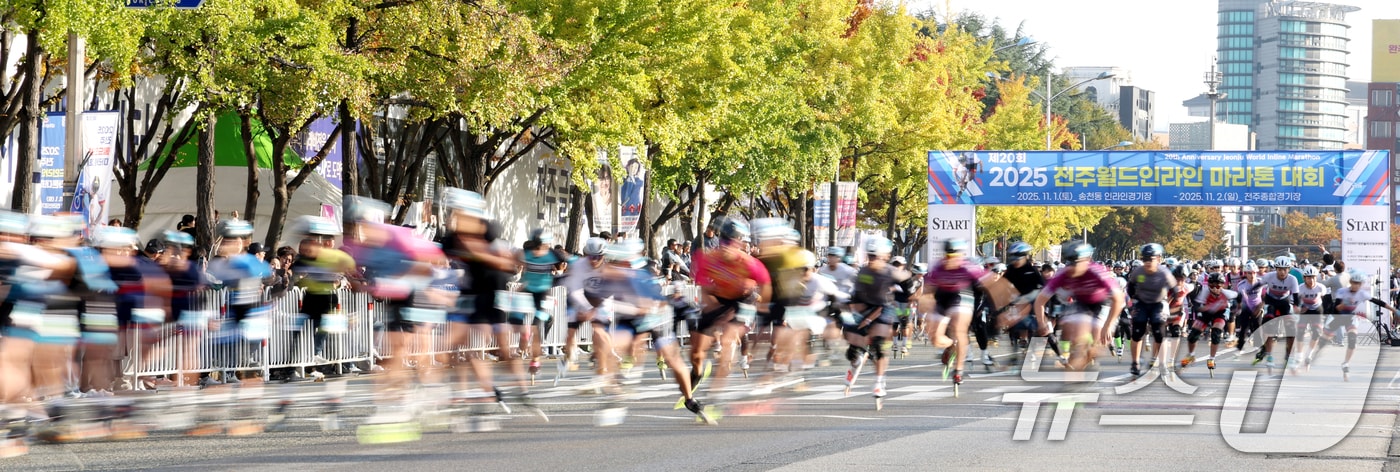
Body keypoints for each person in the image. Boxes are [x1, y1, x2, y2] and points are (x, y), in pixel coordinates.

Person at [690, 218, 770, 397]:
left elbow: (766, 287)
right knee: (696, 353)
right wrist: (715, 308)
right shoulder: (708, 259)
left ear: (740, 243)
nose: (727, 245)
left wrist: (762, 307)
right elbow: (703, 290)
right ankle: (697, 372)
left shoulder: (750, 263)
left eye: (732, 241)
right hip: (718, 300)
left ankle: (715, 396)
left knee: (728, 342)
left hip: (743, 301)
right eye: (724, 239)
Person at [1032, 241, 1125, 372]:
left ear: (1086, 260)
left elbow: (1118, 299)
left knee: (1097, 341)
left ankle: (1091, 353)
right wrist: (1042, 322)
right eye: (1069, 262)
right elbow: (1040, 301)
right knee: (1072, 329)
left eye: (1076, 262)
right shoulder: (1064, 273)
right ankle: (1075, 359)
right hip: (1081, 303)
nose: (1072, 267)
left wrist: (1108, 325)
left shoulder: (1097, 272)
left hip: (1103, 304)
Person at [920, 239, 983, 387]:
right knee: (935, 339)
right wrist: (925, 307)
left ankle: (958, 370)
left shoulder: (968, 268)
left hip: (961, 297)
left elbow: (991, 284)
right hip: (942, 299)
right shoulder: (938, 268)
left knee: (959, 329)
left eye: (954, 256)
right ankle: (950, 345)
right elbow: (928, 291)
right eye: (948, 256)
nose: (951, 259)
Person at [517, 228, 567, 378]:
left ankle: (528, 340)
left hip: (530, 291)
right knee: (535, 326)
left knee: (529, 324)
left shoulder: (527, 254)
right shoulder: (549, 254)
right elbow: (563, 266)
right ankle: (534, 359)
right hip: (540, 292)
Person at [1124, 243, 1177, 377]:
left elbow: (1175, 291)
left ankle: (1161, 362)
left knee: (1159, 331)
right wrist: (1133, 302)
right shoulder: (1138, 272)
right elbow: (1130, 287)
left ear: (1158, 259)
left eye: (1150, 259)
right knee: (1137, 330)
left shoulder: (1164, 273)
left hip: (1158, 303)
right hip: (1142, 303)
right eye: (1145, 259)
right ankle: (1135, 363)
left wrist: (1170, 306)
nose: (1147, 262)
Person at [1254, 256, 1301, 371]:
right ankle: (1269, 356)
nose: (1282, 272)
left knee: (1291, 329)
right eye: (1279, 269)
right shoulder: (1269, 276)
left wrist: (1296, 308)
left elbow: (1296, 297)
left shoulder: (1292, 279)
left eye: (1285, 269)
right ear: (1276, 269)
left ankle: (1289, 357)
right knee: (1269, 325)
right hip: (1271, 301)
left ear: (1289, 269)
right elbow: (1256, 287)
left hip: (1285, 302)